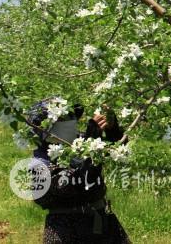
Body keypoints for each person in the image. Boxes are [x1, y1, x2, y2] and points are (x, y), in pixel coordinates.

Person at [26, 97, 131, 244]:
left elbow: (119, 152)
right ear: (43, 129)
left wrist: (113, 130)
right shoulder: (40, 166)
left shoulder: (77, 143)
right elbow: (83, 183)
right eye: (63, 119)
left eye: (71, 117)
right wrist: (92, 145)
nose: (71, 122)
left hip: (102, 224)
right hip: (67, 232)